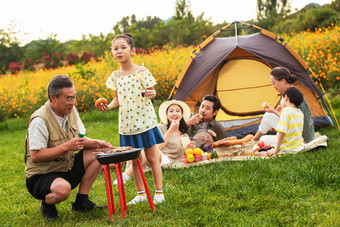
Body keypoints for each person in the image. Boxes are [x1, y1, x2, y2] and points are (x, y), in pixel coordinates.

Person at [25, 75, 113, 220]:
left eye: (74, 97)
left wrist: (98, 143)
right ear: (53, 98)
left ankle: (81, 201)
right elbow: (35, 156)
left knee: (100, 153)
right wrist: (66, 146)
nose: (73, 102)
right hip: (42, 175)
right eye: (68, 98)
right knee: (63, 190)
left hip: (66, 167)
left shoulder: (71, 110)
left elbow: (80, 140)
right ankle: (47, 204)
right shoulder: (39, 120)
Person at [97, 33, 165, 204]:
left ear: (132, 51)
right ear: (112, 52)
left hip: (145, 122)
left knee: (152, 158)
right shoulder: (115, 76)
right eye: (115, 48)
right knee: (135, 160)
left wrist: (152, 93)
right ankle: (141, 194)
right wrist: (109, 106)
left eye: (123, 47)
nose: (119, 51)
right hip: (127, 125)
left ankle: (159, 193)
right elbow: (117, 98)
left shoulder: (142, 71)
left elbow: (152, 91)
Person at [115, 100, 195, 184]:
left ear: (181, 115)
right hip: (155, 156)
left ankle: (125, 176)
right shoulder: (160, 128)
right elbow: (157, 147)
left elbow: (185, 157)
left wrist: (191, 148)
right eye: (171, 111)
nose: (174, 113)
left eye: (178, 111)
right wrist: (170, 130)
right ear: (167, 115)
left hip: (167, 161)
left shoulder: (185, 136)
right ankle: (126, 174)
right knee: (138, 147)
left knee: (147, 149)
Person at [253, 67, 315, 144]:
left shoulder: (289, 96)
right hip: (307, 133)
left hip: (300, 137)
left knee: (263, 139)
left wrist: (274, 111)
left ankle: (254, 140)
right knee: (269, 115)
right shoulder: (294, 91)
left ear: (283, 80)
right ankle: (254, 139)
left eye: (274, 83)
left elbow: (288, 119)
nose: (273, 86)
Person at [255, 86, 305, 157]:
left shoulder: (285, 111)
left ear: (286, 97)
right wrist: (273, 111)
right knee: (264, 139)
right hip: (297, 147)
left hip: (287, 148)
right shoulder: (300, 113)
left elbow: (282, 132)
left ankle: (260, 153)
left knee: (260, 145)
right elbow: (290, 124)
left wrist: (276, 149)